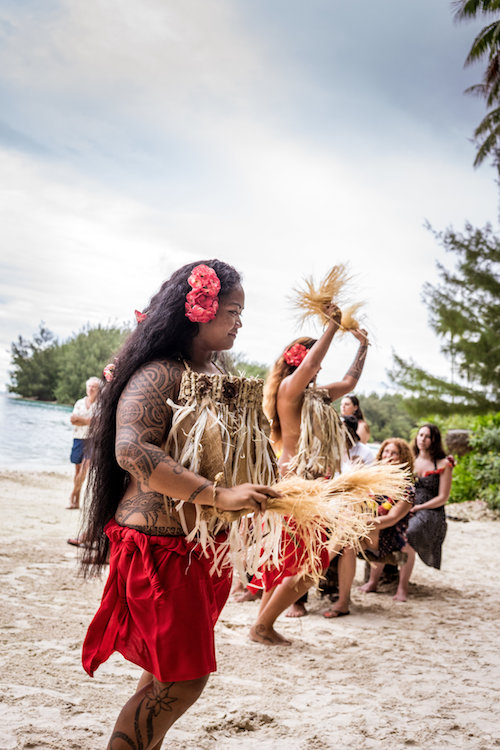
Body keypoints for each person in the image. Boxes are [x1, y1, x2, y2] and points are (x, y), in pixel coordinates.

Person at [79, 260, 279, 750]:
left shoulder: (211, 375)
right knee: (183, 680)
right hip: (159, 551)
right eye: (232, 311)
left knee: (163, 677)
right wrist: (216, 496)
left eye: (242, 314)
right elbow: (131, 450)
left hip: (197, 550)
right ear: (198, 308)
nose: (238, 323)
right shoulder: (159, 373)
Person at [248, 306, 370, 639]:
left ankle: (262, 623)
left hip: (315, 482)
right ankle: (262, 626)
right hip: (297, 482)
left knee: (292, 561)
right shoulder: (289, 389)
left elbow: (349, 382)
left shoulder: (315, 395)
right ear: (299, 362)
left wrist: (363, 347)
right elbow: (313, 364)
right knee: (310, 563)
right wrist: (331, 327)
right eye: (311, 361)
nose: (317, 368)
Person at [394, 423, 454, 602]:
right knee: (388, 527)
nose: (423, 439)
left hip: (431, 510)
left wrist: (419, 507)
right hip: (407, 505)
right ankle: (375, 580)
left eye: (427, 436)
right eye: (420, 435)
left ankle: (402, 588)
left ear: (434, 439)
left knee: (409, 533)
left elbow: (443, 497)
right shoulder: (409, 460)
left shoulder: (444, 464)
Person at [356, 438, 415, 597]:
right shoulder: (374, 481)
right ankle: (372, 582)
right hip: (371, 527)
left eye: (394, 453)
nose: (389, 455)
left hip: (394, 529)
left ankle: (402, 587)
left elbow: (393, 518)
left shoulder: (406, 487)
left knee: (406, 548)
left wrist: (364, 523)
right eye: (386, 452)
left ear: (402, 458)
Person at [67, 377, 101, 509]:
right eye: (89, 386)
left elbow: (97, 422)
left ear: (98, 390)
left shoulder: (101, 404)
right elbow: (72, 420)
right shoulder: (80, 402)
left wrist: (80, 419)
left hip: (93, 439)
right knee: (77, 471)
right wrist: (88, 420)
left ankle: (72, 494)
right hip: (78, 438)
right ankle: (76, 500)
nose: (91, 389)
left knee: (84, 469)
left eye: (94, 387)